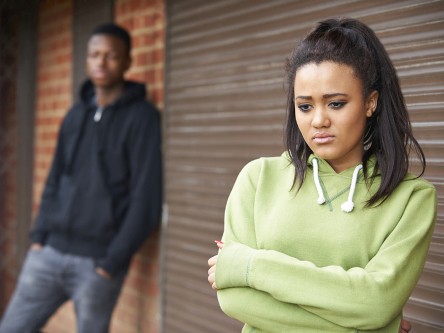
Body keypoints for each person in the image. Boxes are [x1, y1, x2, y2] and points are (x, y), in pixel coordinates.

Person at [208, 18, 436, 333]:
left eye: (336, 103)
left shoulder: (411, 198)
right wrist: (375, 327)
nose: (318, 120)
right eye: (304, 106)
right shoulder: (258, 178)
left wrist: (249, 266)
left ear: (370, 102)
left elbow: (377, 303)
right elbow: (235, 300)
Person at [0, 23, 162, 333]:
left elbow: (146, 199)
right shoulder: (75, 115)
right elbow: (54, 180)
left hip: (97, 265)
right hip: (48, 255)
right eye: (94, 55)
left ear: (127, 61)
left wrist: (111, 262)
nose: (101, 63)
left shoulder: (142, 118)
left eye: (111, 56)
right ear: (86, 60)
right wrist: (38, 238)